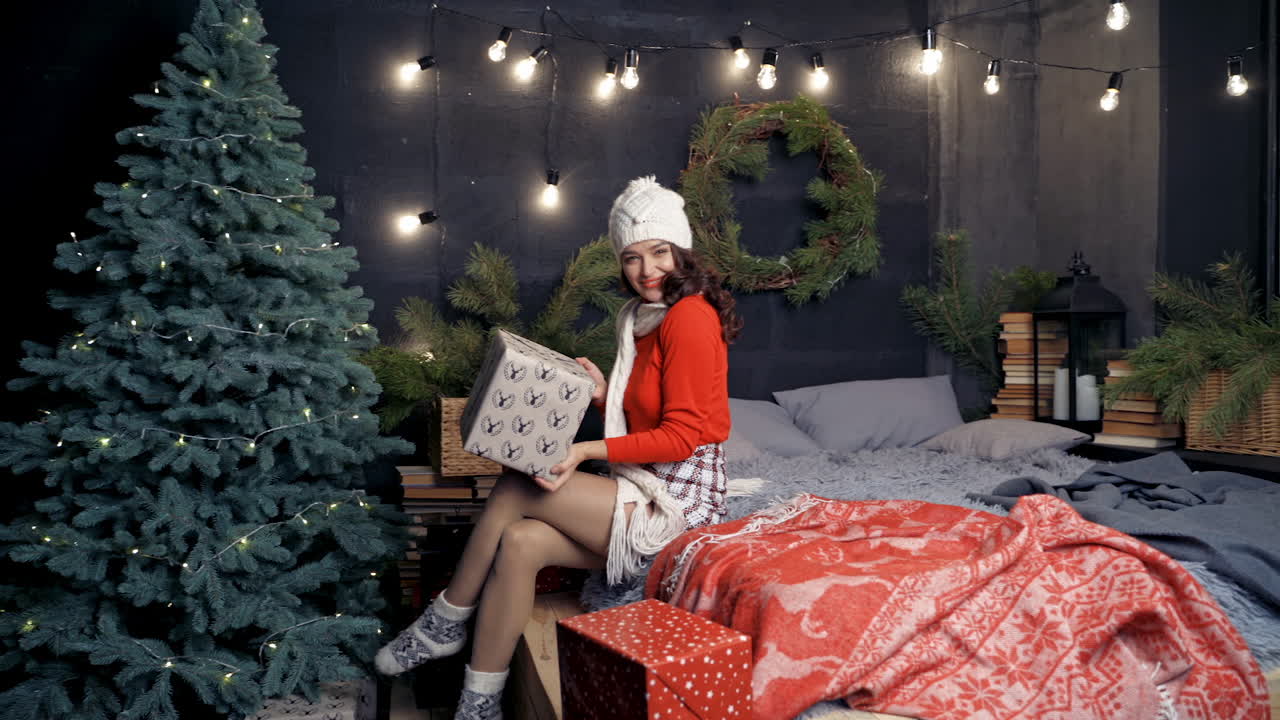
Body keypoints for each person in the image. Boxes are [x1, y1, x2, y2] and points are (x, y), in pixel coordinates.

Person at [374, 175, 741, 720]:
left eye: (659, 253)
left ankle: (446, 619)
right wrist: (602, 396)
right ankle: (480, 705)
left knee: (520, 480)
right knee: (521, 542)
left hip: (680, 501)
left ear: (681, 249)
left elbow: (685, 435)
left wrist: (586, 451)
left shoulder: (688, 317)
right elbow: (650, 416)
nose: (646, 272)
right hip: (647, 482)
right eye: (632, 258)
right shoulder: (642, 318)